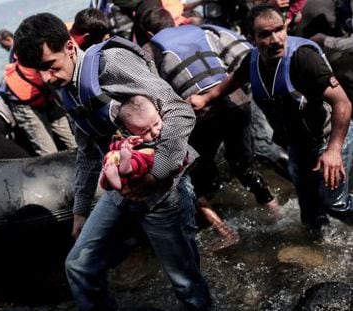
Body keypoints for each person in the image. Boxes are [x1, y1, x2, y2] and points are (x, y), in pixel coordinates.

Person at [13, 12, 211, 310]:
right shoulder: (65, 87)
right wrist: (80, 211)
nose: (45, 78)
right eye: (36, 72)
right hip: (123, 186)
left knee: (186, 285)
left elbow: (179, 112)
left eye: (49, 66)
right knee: (79, 265)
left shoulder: (111, 63)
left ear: (69, 48)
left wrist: (155, 176)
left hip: (163, 186)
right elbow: (88, 152)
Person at [188, 3, 353, 233]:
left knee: (334, 203)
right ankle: (322, 248)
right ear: (251, 38)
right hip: (297, 143)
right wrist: (207, 99)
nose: (275, 39)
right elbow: (236, 78)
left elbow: (343, 102)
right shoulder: (253, 59)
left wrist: (333, 150)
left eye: (279, 29)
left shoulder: (304, 58)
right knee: (309, 212)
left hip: (329, 138)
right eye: (265, 34)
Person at [140, 7, 281, 247]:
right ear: (174, 22)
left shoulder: (149, 50)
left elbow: (148, 95)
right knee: (242, 164)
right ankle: (275, 210)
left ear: (148, 31)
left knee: (190, 175)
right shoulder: (203, 30)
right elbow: (244, 55)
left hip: (200, 112)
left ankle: (224, 231)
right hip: (235, 100)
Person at [4, 61, 77, 156]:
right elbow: (47, 78)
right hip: (24, 101)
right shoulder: (41, 59)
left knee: (72, 140)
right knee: (49, 152)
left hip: (46, 95)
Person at [100, 95, 158, 191]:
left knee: (145, 157)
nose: (154, 131)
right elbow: (112, 146)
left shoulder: (164, 135)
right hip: (123, 170)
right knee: (110, 158)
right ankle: (112, 180)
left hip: (142, 172)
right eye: (146, 131)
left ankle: (126, 170)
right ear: (131, 131)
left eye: (156, 124)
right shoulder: (129, 137)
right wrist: (124, 145)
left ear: (158, 113)